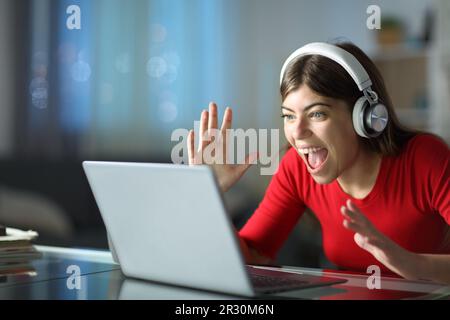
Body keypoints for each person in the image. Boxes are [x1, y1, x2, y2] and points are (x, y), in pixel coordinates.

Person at [186, 42, 450, 284]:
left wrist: (409, 262)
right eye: (289, 116)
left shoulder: (424, 159)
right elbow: (253, 256)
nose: (298, 131)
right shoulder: (297, 168)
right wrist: (207, 195)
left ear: (366, 117)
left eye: (317, 113)